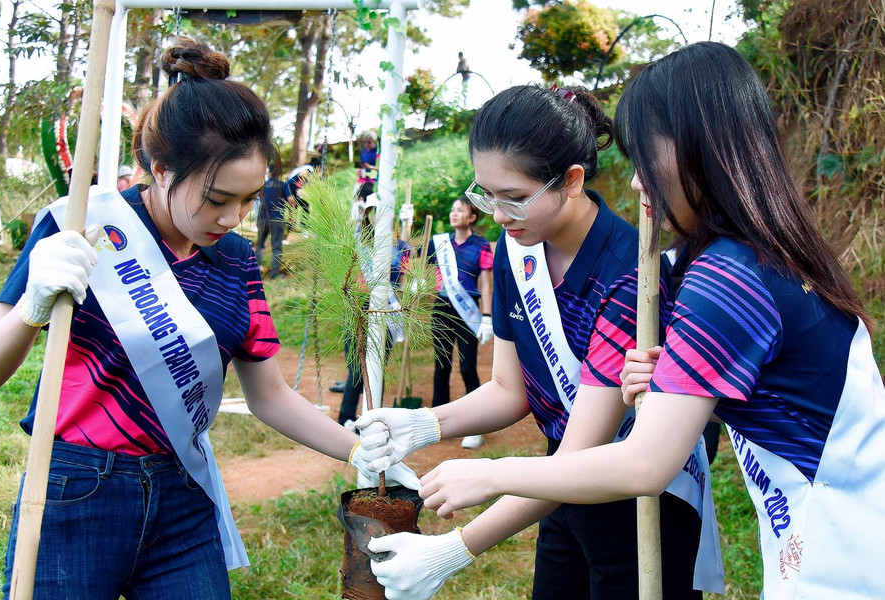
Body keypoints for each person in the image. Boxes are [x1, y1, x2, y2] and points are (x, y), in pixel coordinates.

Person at [373, 42, 885, 599]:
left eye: (646, 161)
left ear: (699, 152)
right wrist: (679, 372)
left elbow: (645, 465)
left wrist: (489, 475)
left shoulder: (715, 276)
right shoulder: (751, 252)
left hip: (838, 543)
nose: (638, 182)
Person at [0, 38, 415, 600]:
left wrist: (355, 451)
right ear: (161, 170)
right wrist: (31, 310)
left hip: (184, 492)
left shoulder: (236, 259)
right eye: (216, 198)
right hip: (76, 487)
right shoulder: (82, 224)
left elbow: (268, 394)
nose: (233, 217)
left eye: (249, 199)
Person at [355, 84, 722, 599]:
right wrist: (426, 422)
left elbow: (585, 448)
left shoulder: (626, 274)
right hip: (555, 480)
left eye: (515, 198)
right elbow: (510, 388)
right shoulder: (516, 247)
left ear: (572, 181)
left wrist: (454, 549)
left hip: (630, 493)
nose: (499, 214)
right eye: (486, 195)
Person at [338, 196, 412, 427]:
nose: (377, 216)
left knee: (378, 367)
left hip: (386, 310)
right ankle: (347, 418)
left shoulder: (401, 247)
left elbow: (403, 279)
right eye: (373, 211)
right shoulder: (358, 243)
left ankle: (372, 418)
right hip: (359, 308)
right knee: (356, 368)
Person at [426, 196, 493, 448]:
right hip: (442, 308)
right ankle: (436, 424)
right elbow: (428, 272)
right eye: (452, 209)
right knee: (441, 365)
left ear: (472, 217)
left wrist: (487, 317)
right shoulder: (440, 244)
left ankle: (476, 425)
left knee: (467, 368)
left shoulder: (481, 246)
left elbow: (485, 282)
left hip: (468, 312)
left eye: (459, 210)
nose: (454, 214)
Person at [255, 170, 289, 279]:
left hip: (263, 217)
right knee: (277, 247)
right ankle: (274, 274)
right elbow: (291, 200)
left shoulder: (263, 185)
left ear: (269, 173)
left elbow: (258, 198)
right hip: (277, 218)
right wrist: (292, 213)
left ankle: (255, 271)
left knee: (260, 245)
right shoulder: (283, 185)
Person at [355, 130, 378, 205]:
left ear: (374, 141)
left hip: (372, 181)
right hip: (362, 179)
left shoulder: (378, 152)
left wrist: (371, 167)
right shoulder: (364, 151)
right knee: (357, 195)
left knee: (365, 196)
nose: (367, 145)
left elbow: (381, 168)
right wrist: (359, 171)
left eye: (369, 142)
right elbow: (361, 163)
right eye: (365, 142)